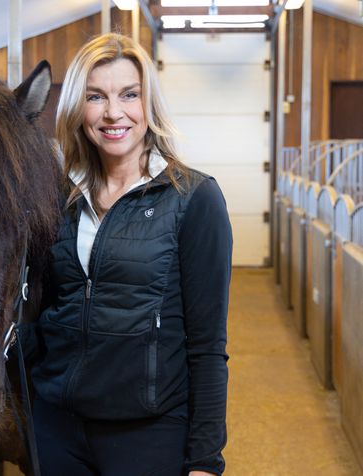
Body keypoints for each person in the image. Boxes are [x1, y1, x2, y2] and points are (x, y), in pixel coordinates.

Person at [27, 33, 232, 476]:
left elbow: (208, 345)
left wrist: (205, 460)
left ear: (149, 105)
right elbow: (35, 314)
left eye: (129, 95)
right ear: (78, 109)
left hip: (149, 431)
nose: (113, 112)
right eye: (95, 96)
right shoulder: (54, 197)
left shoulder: (193, 199)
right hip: (56, 427)